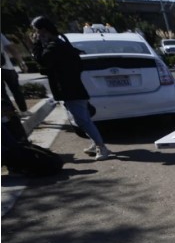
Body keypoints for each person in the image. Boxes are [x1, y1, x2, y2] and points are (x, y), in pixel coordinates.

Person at [31, 16, 111, 161]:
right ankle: (96, 143)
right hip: (72, 88)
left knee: (83, 120)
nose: (36, 34)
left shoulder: (55, 46)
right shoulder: (61, 43)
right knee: (82, 119)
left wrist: (36, 44)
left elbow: (42, 60)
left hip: (71, 89)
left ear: (43, 30)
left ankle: (101, 147)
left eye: (37, 31)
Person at [1, 33, 28, 113]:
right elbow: (12, 49)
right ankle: (23, 110)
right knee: (16, 90)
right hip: (7, 67)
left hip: (6, 67)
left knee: (2, 94)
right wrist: (22, 62)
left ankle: (11, 113)